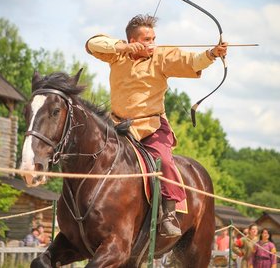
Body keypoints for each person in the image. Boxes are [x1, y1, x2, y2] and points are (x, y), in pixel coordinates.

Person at [85, 14, 228, 238]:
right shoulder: (117, 56)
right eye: (146, 39)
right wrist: (124, 48)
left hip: (151, 126)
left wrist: (212, 54)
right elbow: (92, 43)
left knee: (164, 160)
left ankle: (168, 213)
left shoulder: (162, 56)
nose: (152, 44)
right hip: (118, 126)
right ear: (133, 40)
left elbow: (191, 61)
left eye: (153, 38)